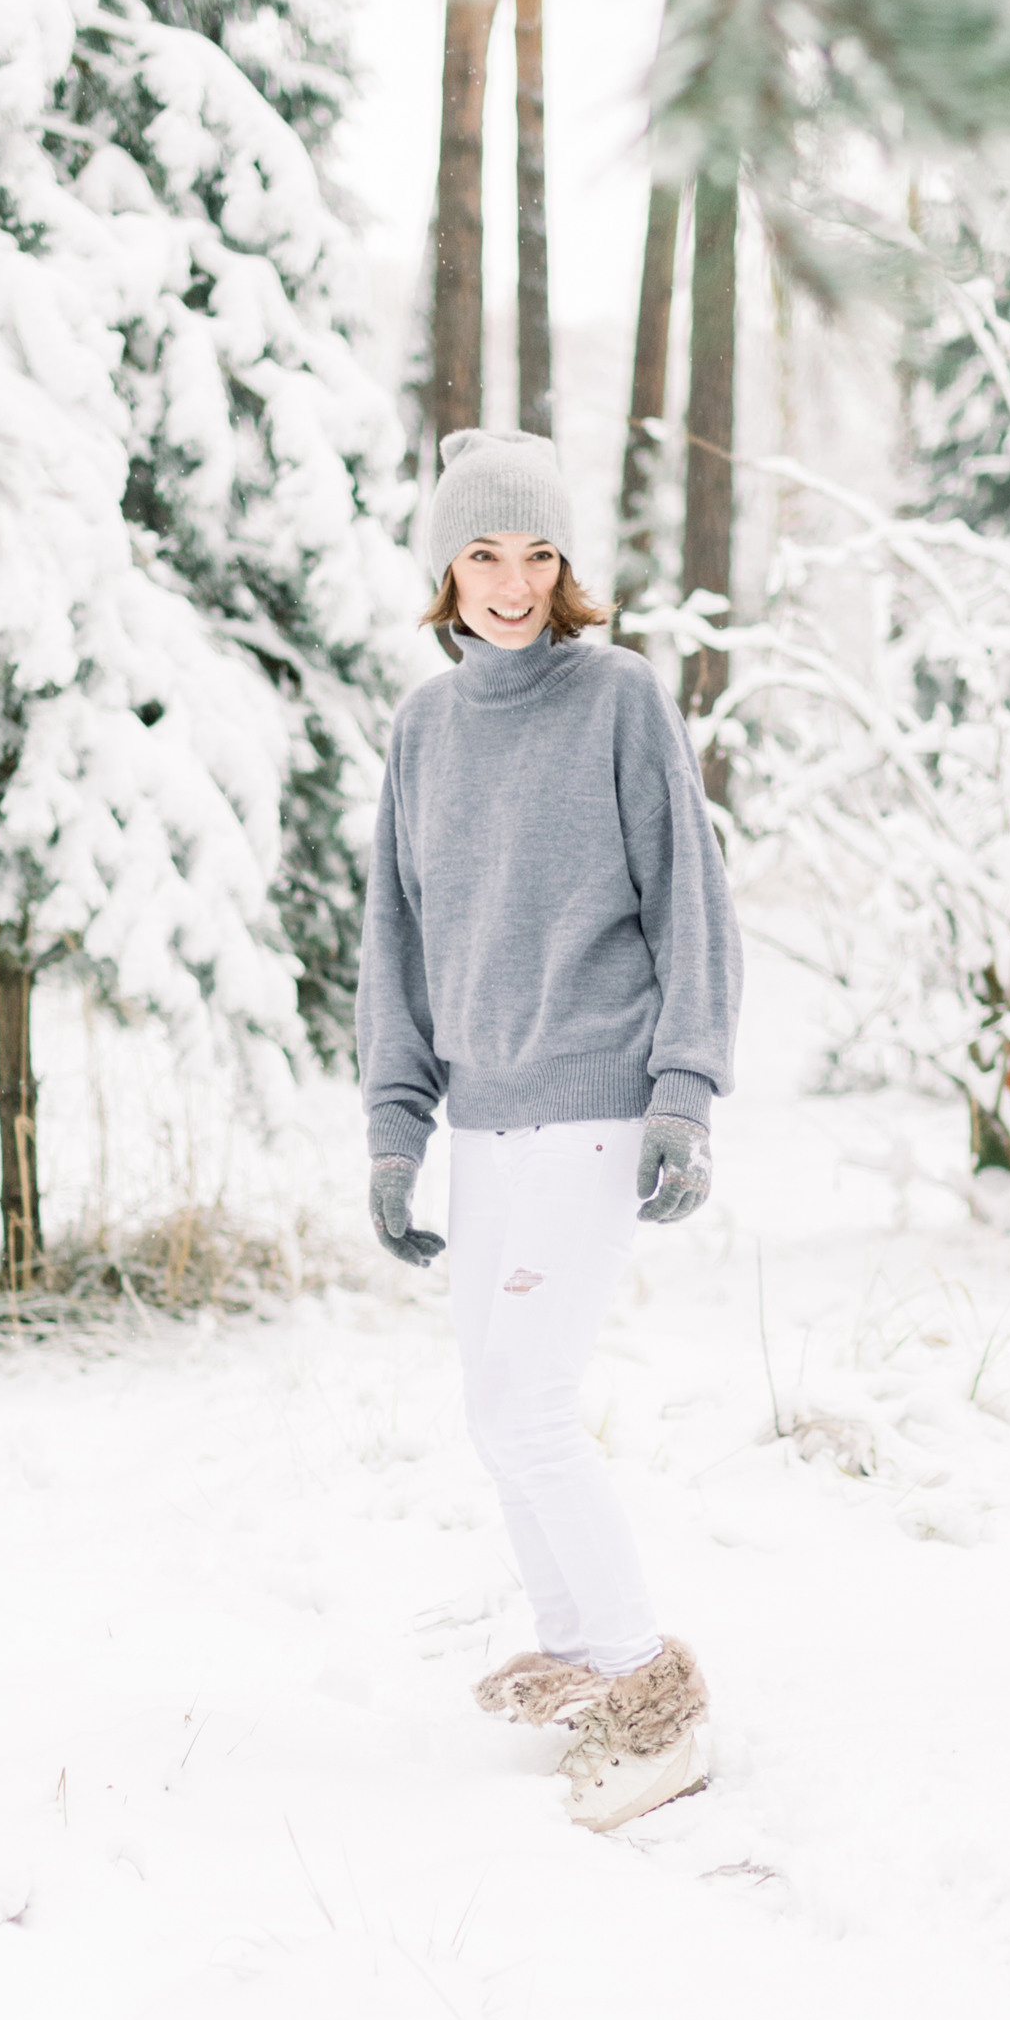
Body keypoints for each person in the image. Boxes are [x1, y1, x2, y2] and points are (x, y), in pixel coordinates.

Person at [356, 426, 743, 1831]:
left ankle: (654, 1696)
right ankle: (581, 1649)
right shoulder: (425, 729)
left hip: (595, 1103)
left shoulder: (618, 699)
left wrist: (683, 1091)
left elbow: (693, 903)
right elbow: (394, 942)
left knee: (528, 1402)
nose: (513, 584)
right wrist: (395, 1129)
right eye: (483, 553)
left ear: (564, 565)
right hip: (484, 1118)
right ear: (445, 569)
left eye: (536, 554)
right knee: (490, 1406)